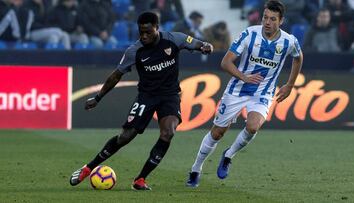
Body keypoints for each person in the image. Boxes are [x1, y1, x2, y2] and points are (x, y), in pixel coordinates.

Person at [69, 11, 213, 190]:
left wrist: (205, 46)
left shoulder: (174, 39)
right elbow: (116, 75)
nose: (144, 36)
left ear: (157, 28)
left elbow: (196, 43)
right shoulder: (134, 51)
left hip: (169, 95)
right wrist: (98, 98)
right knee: (125, 137)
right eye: (141, 32)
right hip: (146, 96)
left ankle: (140, 179)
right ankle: (88, 168)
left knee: (168, 132)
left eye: (148, 32)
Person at [186, 0, 303, 187]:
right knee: (217, 133)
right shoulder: (249, 34)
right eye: (265, 17)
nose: (267, 22)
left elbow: (298, 57)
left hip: (262, 93)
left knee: (253, 127)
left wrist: (289, 85)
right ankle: (195, 169)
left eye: (273, 19)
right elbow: (225, 62)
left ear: (281, 21)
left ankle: (228, 155)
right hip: (237, 90)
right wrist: (244, 77)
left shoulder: (289, 41)